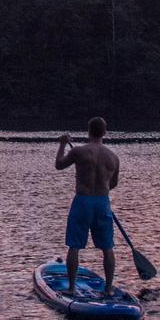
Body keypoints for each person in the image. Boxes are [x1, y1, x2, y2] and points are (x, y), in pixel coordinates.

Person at [55, 116, 121, 294]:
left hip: (83, 200)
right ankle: (108, 289)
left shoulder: (79, 152)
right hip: (102, 202)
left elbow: (59, 165)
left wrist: (62, 144)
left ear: (88, 131)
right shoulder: (113, 157)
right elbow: (113, 184)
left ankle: (71, 288)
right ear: (104, 132)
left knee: (74, 246)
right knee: (107, 247)